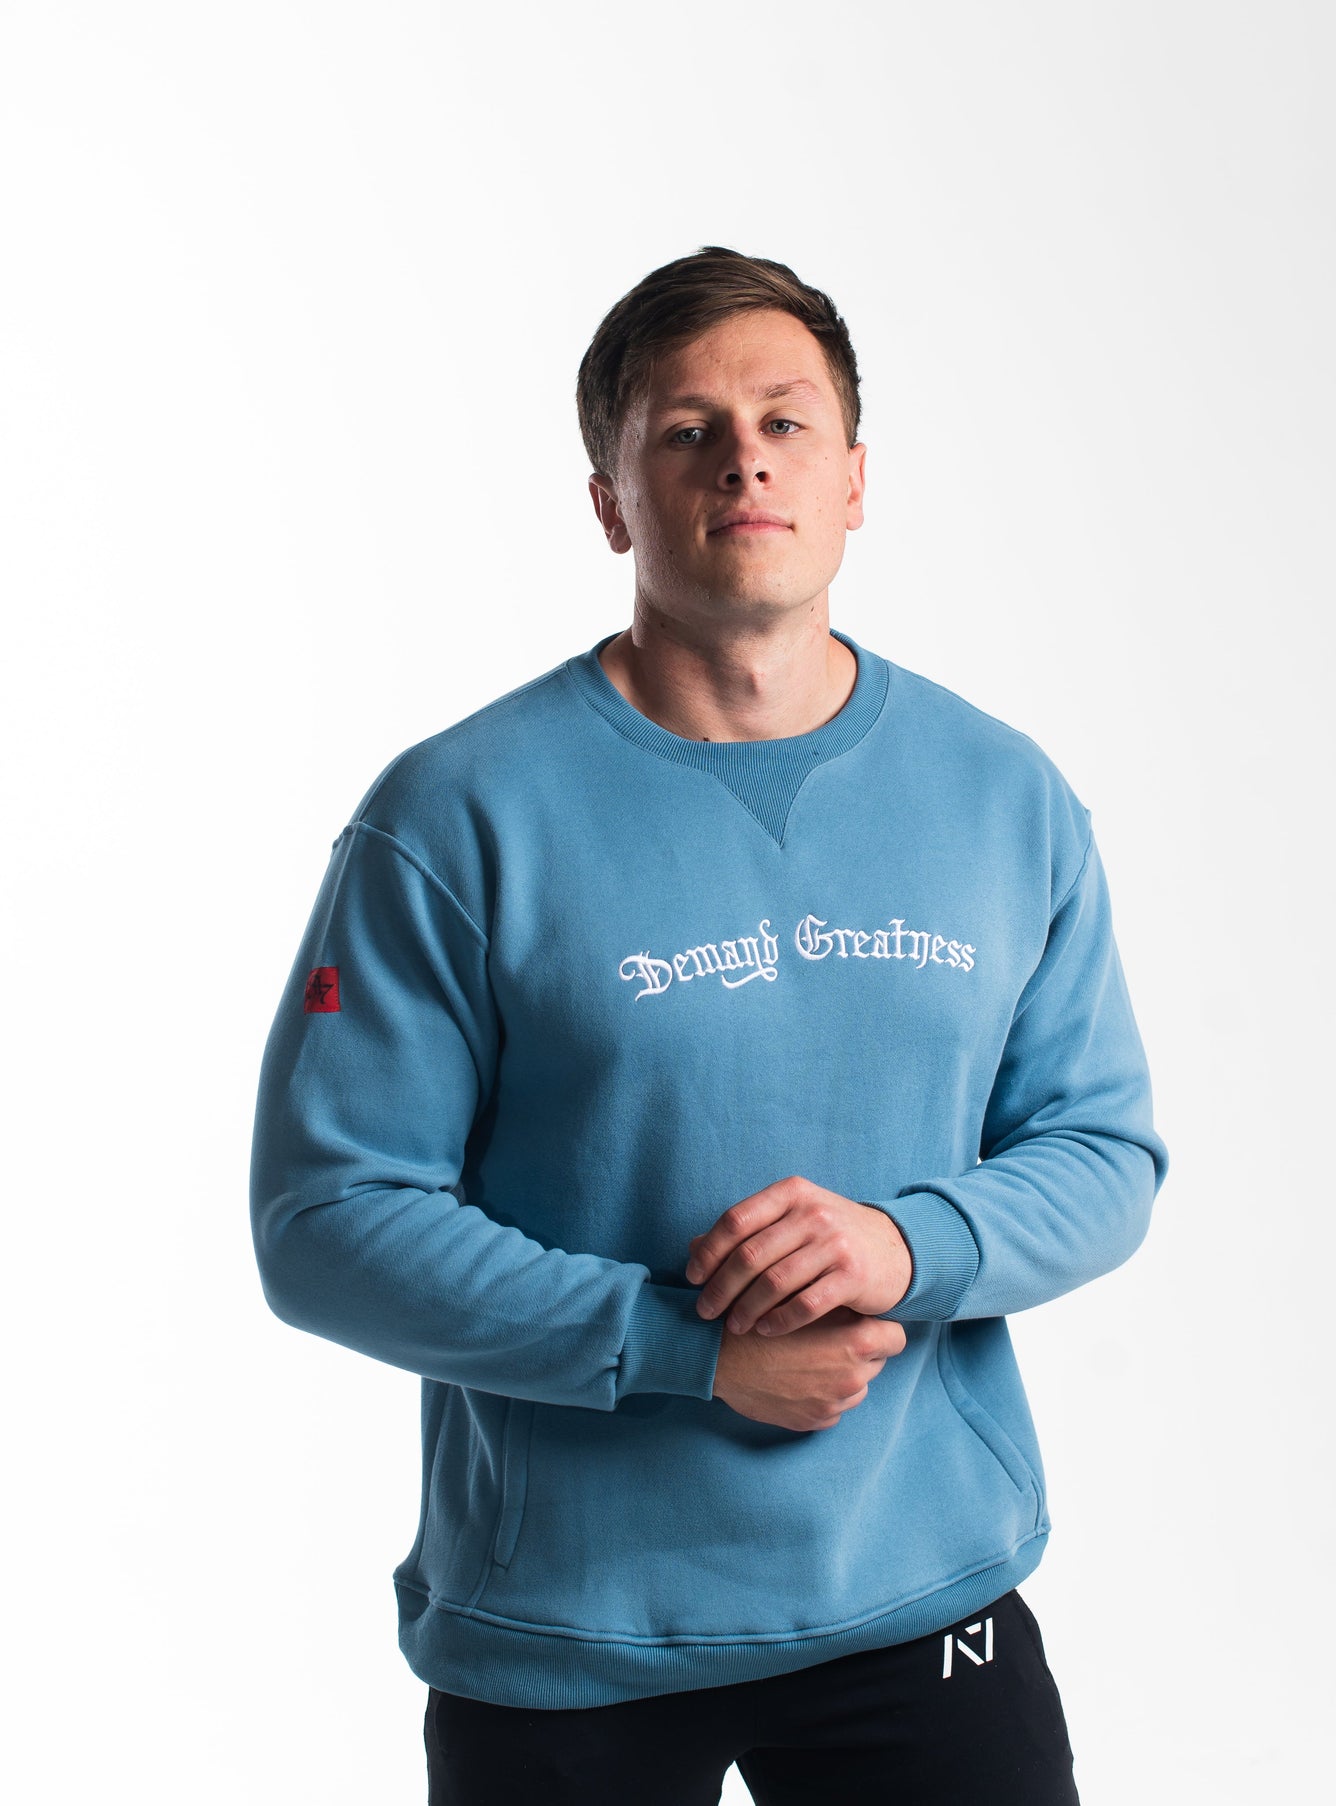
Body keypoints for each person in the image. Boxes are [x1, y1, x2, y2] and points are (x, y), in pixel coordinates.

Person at [250, 245, 1168, 1804]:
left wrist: (903, 1244)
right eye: (685, 430)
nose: (743, 458)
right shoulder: (456, 816)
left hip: (922, 1595)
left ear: (854, 478)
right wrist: (685, 1350)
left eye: (784, 421)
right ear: (610, 500)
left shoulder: (1002, 795)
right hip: (571, 1634)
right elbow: (326, 1221)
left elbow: (1101, 1150)